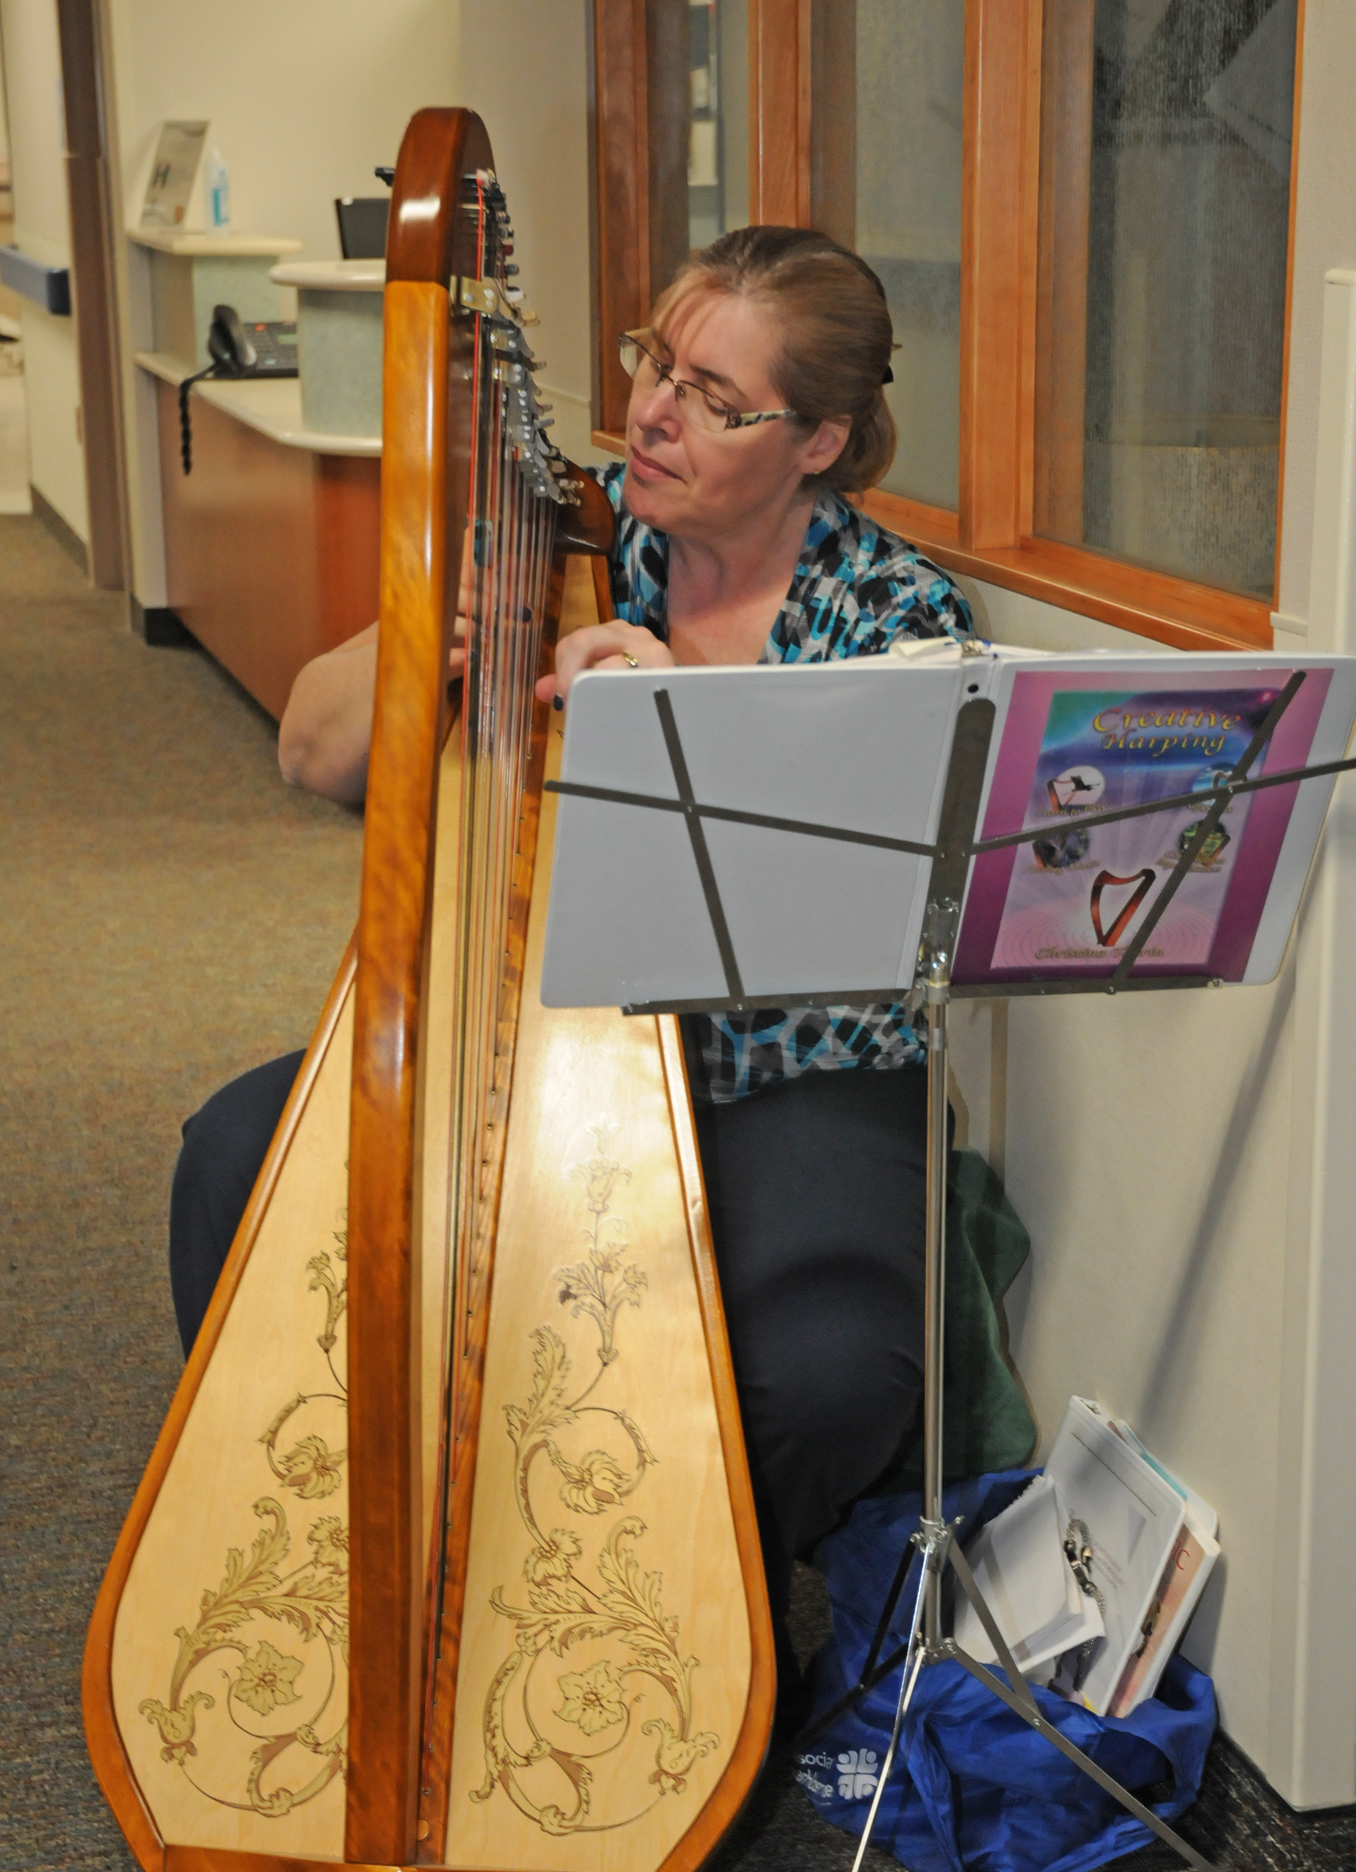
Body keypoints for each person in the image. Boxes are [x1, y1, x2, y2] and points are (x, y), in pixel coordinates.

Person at [172, 225, 989, 1720]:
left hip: (787, 1069)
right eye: (652, 367)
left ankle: (707, 1619)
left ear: (816, 440)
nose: (656, 415)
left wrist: (687, 725)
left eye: (711, 396)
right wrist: (443, 629)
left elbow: (875, 930)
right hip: (533, 1038)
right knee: (236, 1157)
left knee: (827, 1367)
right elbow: (310, 749)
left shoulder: (895, 617)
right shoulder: (554, 527)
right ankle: (323, 1563)